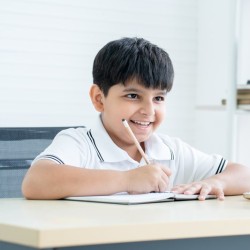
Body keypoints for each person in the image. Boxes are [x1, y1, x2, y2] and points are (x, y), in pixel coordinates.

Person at [22, 37, 250, 201]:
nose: (148, 110)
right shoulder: (80, 142)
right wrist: (127, 180)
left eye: (159, 97)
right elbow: (36, 181)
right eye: (133, 96)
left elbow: (244, 174)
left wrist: (214, 183)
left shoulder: (169, 150)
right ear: (99, 99)